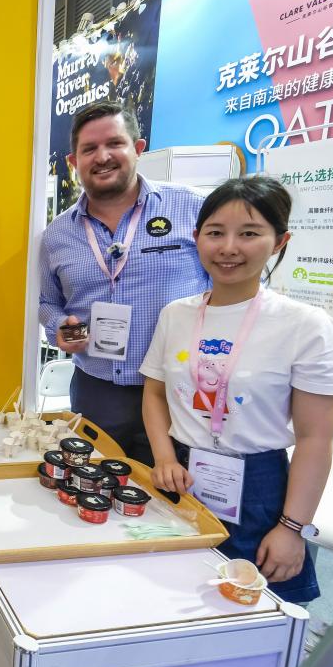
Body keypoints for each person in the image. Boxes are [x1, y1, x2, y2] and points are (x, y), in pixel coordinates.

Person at [141, 176, 333, 603]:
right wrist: (162, 456)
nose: (228, 247)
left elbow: (315, 438)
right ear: (196, 238)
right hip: (179, 474)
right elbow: (155, 392)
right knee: (172, 597)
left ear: (279, 241)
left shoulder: (305, 325)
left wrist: (293, 528)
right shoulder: (175, 315)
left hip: (259, 486)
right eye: (215, 232)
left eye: (249, 233)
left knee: (257, 608)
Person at [39, 100, 209, 464]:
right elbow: (47, 301)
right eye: (89, 149)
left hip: (178, 391)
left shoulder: (192, 209)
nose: (102, 156)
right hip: (96, 392)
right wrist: (60, 326)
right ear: (74, 162)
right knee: (95, 490)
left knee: (171, 502)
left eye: (114, 143)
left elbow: (231, 289)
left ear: (138, 148)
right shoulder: (57, 235)